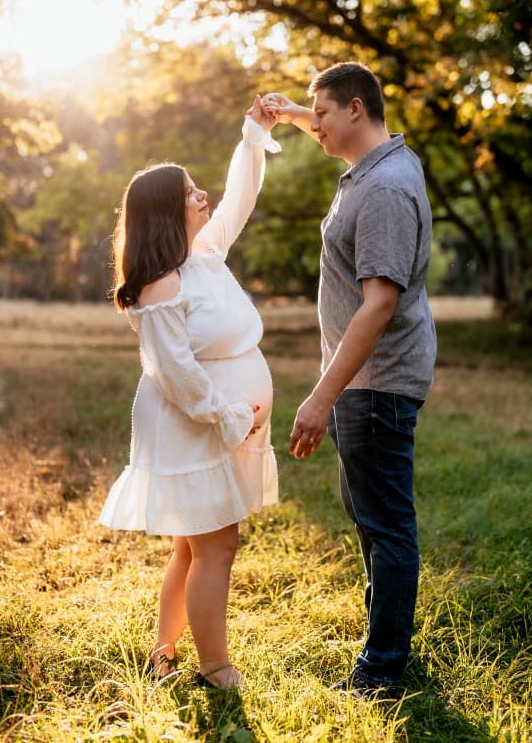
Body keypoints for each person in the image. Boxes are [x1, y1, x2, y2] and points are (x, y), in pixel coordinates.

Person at [262, 62, 436, 698]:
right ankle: (383, 647)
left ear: (356, 110)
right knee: (370, 518)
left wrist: (320, 396)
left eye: (325, 115)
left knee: (386, 526)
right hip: (364, 384)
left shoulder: (384, 187)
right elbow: (327, 121)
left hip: (376, 383)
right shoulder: (378, 162)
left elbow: (379, 303)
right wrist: (291, 112)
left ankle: (382, 672)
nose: (318, 128)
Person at [99, 97, 281, 690]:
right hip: (193, 425)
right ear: (167, 212)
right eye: (191, 193)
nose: (203, 197)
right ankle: (214, 666)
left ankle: (164, 651)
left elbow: (240, 198)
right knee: (216, 547)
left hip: (218, 424)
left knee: (191, 546)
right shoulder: (160, 287)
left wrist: (253, 133)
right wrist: (228, 416)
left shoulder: (201, 256)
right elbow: (173, 373)